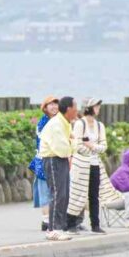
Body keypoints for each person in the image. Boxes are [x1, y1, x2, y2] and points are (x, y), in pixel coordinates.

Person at [66, 98, 109, 234]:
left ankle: (95, 224)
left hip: (95, 163)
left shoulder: (99, 125)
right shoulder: (80, 124)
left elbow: (104, 146)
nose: (98, 109)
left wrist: (91, 146)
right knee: (77, 193)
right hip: (81, 164)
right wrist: (93, 149)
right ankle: (71, 223)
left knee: (94, 195)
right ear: (89, 107)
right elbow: (77, 146)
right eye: (96, 106)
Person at [39, 95, 76, 239]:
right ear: (68, 109)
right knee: (58, 193)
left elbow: (69, 144)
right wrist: (72, 143)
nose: (77, 110)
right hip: (53, 159)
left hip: (61, 159)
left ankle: (60, 227)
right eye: (75, 107)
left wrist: (71, 143)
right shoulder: (56, 124)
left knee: (64, 194)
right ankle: (53, 229)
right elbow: (62, 149)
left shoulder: (65, 122)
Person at [30, 96, 59, 231]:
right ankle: (46, 220)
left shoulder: (59, 121)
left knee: (55, 190)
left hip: (57, 159)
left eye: (55, 104)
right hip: (44, 159)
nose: (54, 107)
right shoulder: (43, 122)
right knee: (45, 191)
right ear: (45, 107)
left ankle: (53, 218)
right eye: (50, 104)